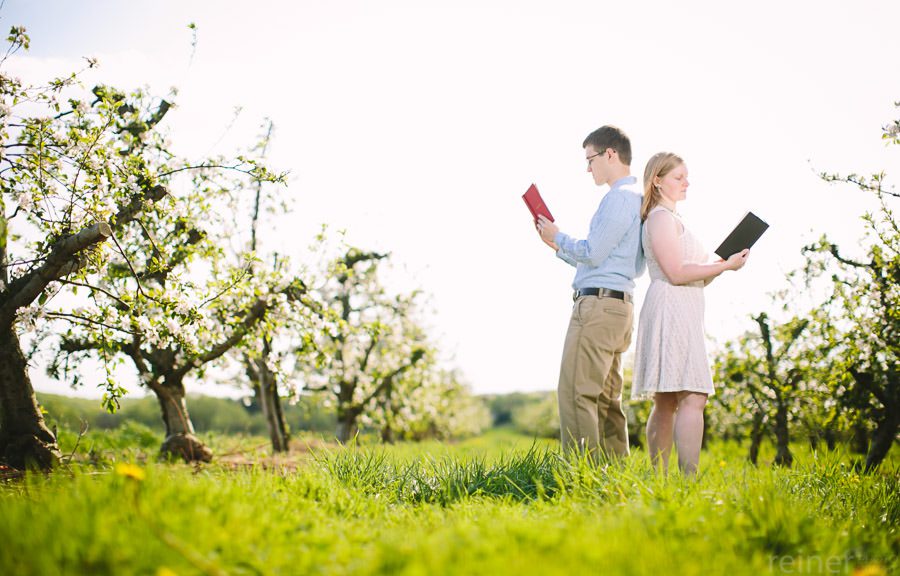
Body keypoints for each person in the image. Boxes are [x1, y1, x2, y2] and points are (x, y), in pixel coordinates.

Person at [631, 152, 749, 475]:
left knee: (668, 399)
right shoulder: (660, 218)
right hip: (671, 306)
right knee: (692, 395)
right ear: (657, 180)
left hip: (680, 306)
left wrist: (723, 266)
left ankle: (662, 478)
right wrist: (724, 264)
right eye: (678, 177)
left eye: (686, 177)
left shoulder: (669, 218)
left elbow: (692, 273)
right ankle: (686, 479)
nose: (686, 182)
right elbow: (676, 271)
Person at [537, 125, 645, 459]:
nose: (588, 168)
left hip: (597, 307)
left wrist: (558, 237)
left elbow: (594, 253)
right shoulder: (639, 201)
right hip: (619, 307)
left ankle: (581, 475)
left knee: (575, 392)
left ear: (610, 154)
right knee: (605, 398)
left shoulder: (618, 199)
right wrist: (558, 245)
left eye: (591, 159)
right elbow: (613, 261)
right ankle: (612, 474)